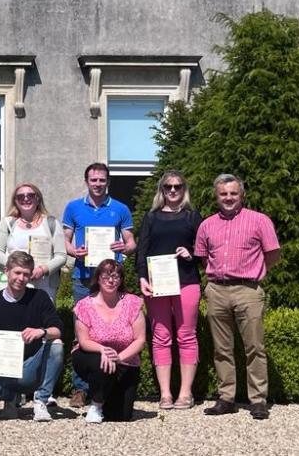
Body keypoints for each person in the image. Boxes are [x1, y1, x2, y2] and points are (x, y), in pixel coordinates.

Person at [195, 173, 280, 420]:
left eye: (233, 193)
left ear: (241, 195)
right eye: (224, 193)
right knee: (222, 348)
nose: (229, 198)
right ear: (217, 195)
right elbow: (203, 257)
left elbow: (272, 254)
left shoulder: (259, 221)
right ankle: (227, 398)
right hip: (217, 290)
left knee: (254, 347)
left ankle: (258, 400)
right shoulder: (207, 225)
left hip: (248, 290)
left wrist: (257, 273)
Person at [61, 162, 136, 408]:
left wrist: (123, 249)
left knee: (114, 329)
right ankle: (80, 389)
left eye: (102, 180)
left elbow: (131, 243)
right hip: (83, 277)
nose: (98, 184)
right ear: (87, 181)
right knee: (81, 334)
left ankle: (108, 383)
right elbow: (67, 243)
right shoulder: (73, 208)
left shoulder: (120, 209)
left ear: (108, 182)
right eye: (93, 180)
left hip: (111, 278)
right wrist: (75, 251)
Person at [136, 170, 203, 410]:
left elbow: (205, 251)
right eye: (168, 187)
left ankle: (185, 393)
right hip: (158, 285)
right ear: (161, 190)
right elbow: (141, 251)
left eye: (177, 186)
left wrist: (191, 254)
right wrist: (142, 277)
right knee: (161, 337)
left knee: (186, 336)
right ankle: (165, 393)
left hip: (187, 282)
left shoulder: (193, 217)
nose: (173, 190)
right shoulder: (151, 218)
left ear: (184, 189)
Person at [0, 251, 64, 423]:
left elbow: (58, 329)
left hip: (29, 369)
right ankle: (11, 398)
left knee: (57, 344)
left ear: (31, 276)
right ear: (6, 271)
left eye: (26, 274)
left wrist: (42, 331)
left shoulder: (39, 297)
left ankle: (41, 401)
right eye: (17, 272)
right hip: (1, 369)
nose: (21, 278)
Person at [71, 258, 147, 423]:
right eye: (106, 276)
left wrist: (119, 357)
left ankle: (103, 394)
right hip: (91, 355)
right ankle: (96, 404)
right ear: (98, 278)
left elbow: (140, 340)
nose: (111, 280)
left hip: (125, 360)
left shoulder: (133, 302)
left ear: (121, 280)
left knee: (121, 416)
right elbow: (83, 341)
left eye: (116, 276)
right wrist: (103, 350)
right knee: (102, 362)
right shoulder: (84, 305)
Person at [0, 182, 67, 299]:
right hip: (12, 282)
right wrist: (17, 268)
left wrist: (42, 270)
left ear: (38, 199)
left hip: (44, 284)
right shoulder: (6, 223)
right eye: (20, 196)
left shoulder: (51, 223)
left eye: (31, 195)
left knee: (40, 316)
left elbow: (61, 256)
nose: (26, 198)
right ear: (15, 201)